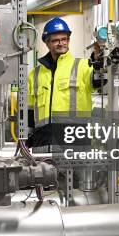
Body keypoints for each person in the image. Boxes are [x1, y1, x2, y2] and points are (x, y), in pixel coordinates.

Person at [27, 17, 100, 147]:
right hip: (43, 140)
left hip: (75, 138)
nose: (61, 43)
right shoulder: (35, 74)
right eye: (55, 40)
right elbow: (30, 110)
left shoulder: (83, 66)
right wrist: (27, 137)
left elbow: (98, 82)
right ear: (47, 43)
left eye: (64, 39)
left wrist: (99, 61)